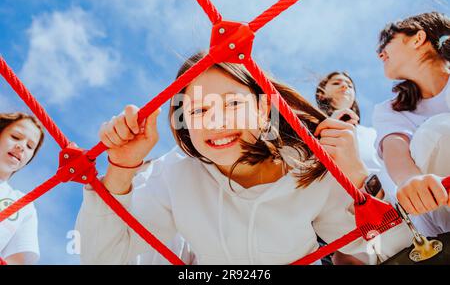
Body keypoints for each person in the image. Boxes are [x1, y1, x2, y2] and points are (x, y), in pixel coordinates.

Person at [76, 52, 412, 265]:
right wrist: (120, 167)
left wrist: (356, 179)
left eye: (233, 104)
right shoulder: (176, 173)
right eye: (198, 110)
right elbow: (103, 259)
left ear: (265, 108)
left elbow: (390, 247)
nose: (215, 121)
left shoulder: (310, 169)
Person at [373, 12, 450, 237]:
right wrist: (410, 180)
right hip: (437, 208)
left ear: (418, 39)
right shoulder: (392, 109)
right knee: (436, 132)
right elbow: (395, 147)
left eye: (387, 41)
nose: (380, 54)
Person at [315, 72, 391, 265]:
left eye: (349, 84)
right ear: (322, 94)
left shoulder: (374, 133)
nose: (344, 86)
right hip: (341, 226)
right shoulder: (311, 132)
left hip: (388, 208)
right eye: (336, 83)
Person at [0, 112, 44, 265]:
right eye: (16, 137)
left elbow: (15, 261)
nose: (21, 146)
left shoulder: (22, 204)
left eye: (30, 146)